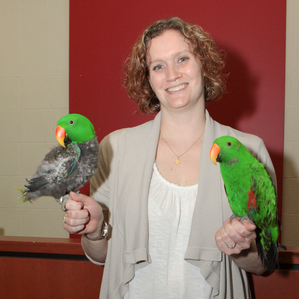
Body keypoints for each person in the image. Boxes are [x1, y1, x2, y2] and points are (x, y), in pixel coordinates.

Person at [62, 17, 276, 299]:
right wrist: (95, 227)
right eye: (158, 66)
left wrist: (242, 246)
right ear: (148, 79)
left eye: (182, 59)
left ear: (203, 65)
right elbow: (101, 255)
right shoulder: (117, 147)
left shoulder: (251, 150)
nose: (172, 74)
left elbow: (264, 264)